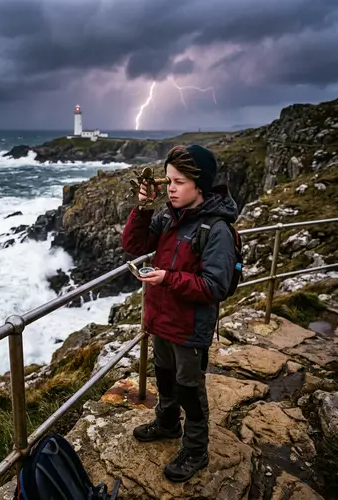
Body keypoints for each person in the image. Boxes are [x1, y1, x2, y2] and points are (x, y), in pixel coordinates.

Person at [121, 144, 238, 482]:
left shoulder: (216, 230)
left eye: (179, 182)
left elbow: (214, 286)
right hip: (162, 319)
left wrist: (167, 279)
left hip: (189, 326)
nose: (170, 188)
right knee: (165, 375)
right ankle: (168, 423)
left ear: (199, 185)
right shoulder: (169, 216)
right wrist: (143, 208)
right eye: (168, 180)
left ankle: (196, 449)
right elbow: (134, 246)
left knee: (189, 386)